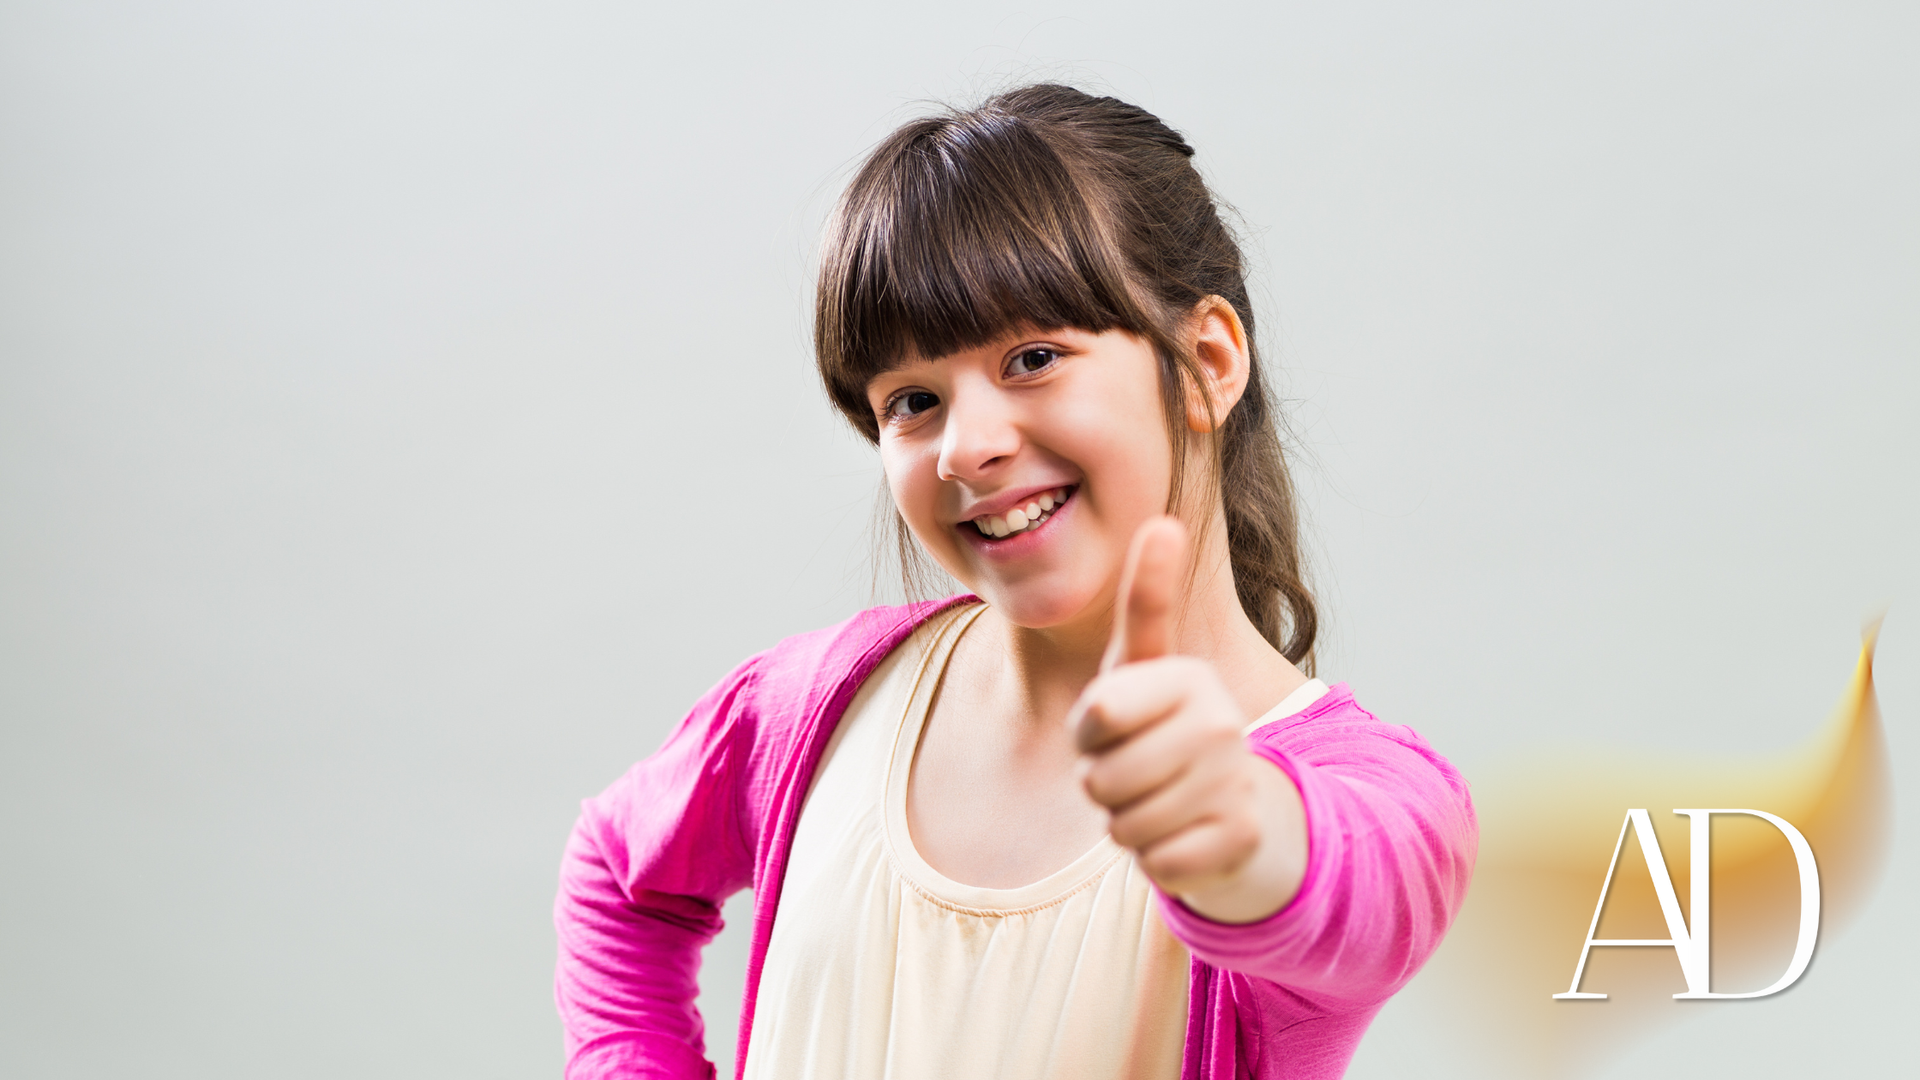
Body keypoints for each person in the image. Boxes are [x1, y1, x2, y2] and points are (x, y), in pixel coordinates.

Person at [554, 84, 1476, 1080]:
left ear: (1207, 361)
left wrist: (1238, 829)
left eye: (1034, 357)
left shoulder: (1370, 795)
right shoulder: (818, 707)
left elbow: (1372, 894)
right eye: (913, 401)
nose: (967, 448)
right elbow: (617, 871)